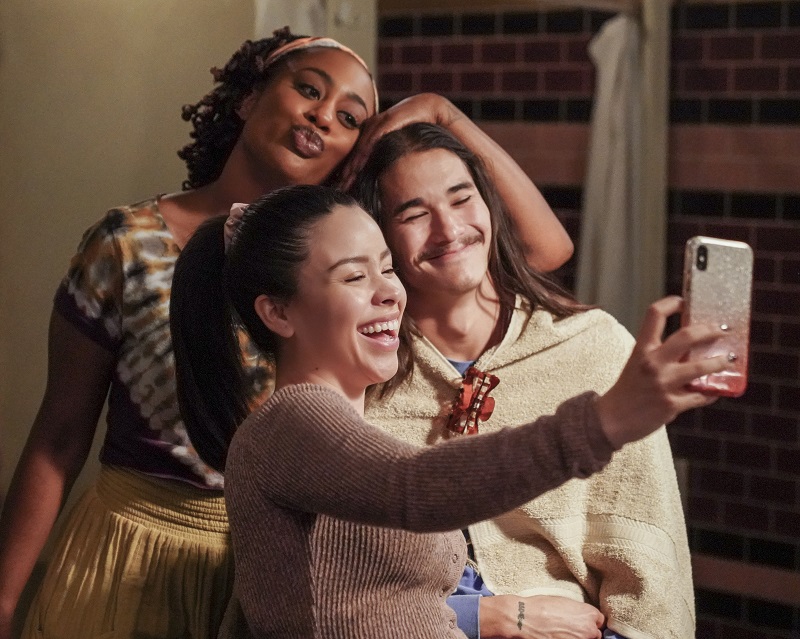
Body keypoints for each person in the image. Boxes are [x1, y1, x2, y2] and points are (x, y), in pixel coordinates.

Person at [0, 27, 569, 639]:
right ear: (248, 98)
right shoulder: (127, 244)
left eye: (351, 117)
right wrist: (3, 601)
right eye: (308, 90)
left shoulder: (359, 260)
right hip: (131, 557)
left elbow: (542, 248)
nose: (324, 117)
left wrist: (441, 113)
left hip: (287, 566)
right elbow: (58, 437)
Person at [169, 183, 727, 639]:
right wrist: (605, 421)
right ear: (278, 312)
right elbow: (414, 488)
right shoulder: (290, 425)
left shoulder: (342, 424)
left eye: (387, 268)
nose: (388, 292)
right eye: (354, 276)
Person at [354, 122, 700, 639]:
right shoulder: (361, 372)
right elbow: (343, 581)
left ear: (490, 204)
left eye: (461, 198)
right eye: (414, 214)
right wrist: (480, 620)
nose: (448, 230)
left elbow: (650, 564)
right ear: (379, 239)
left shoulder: (593, 347)